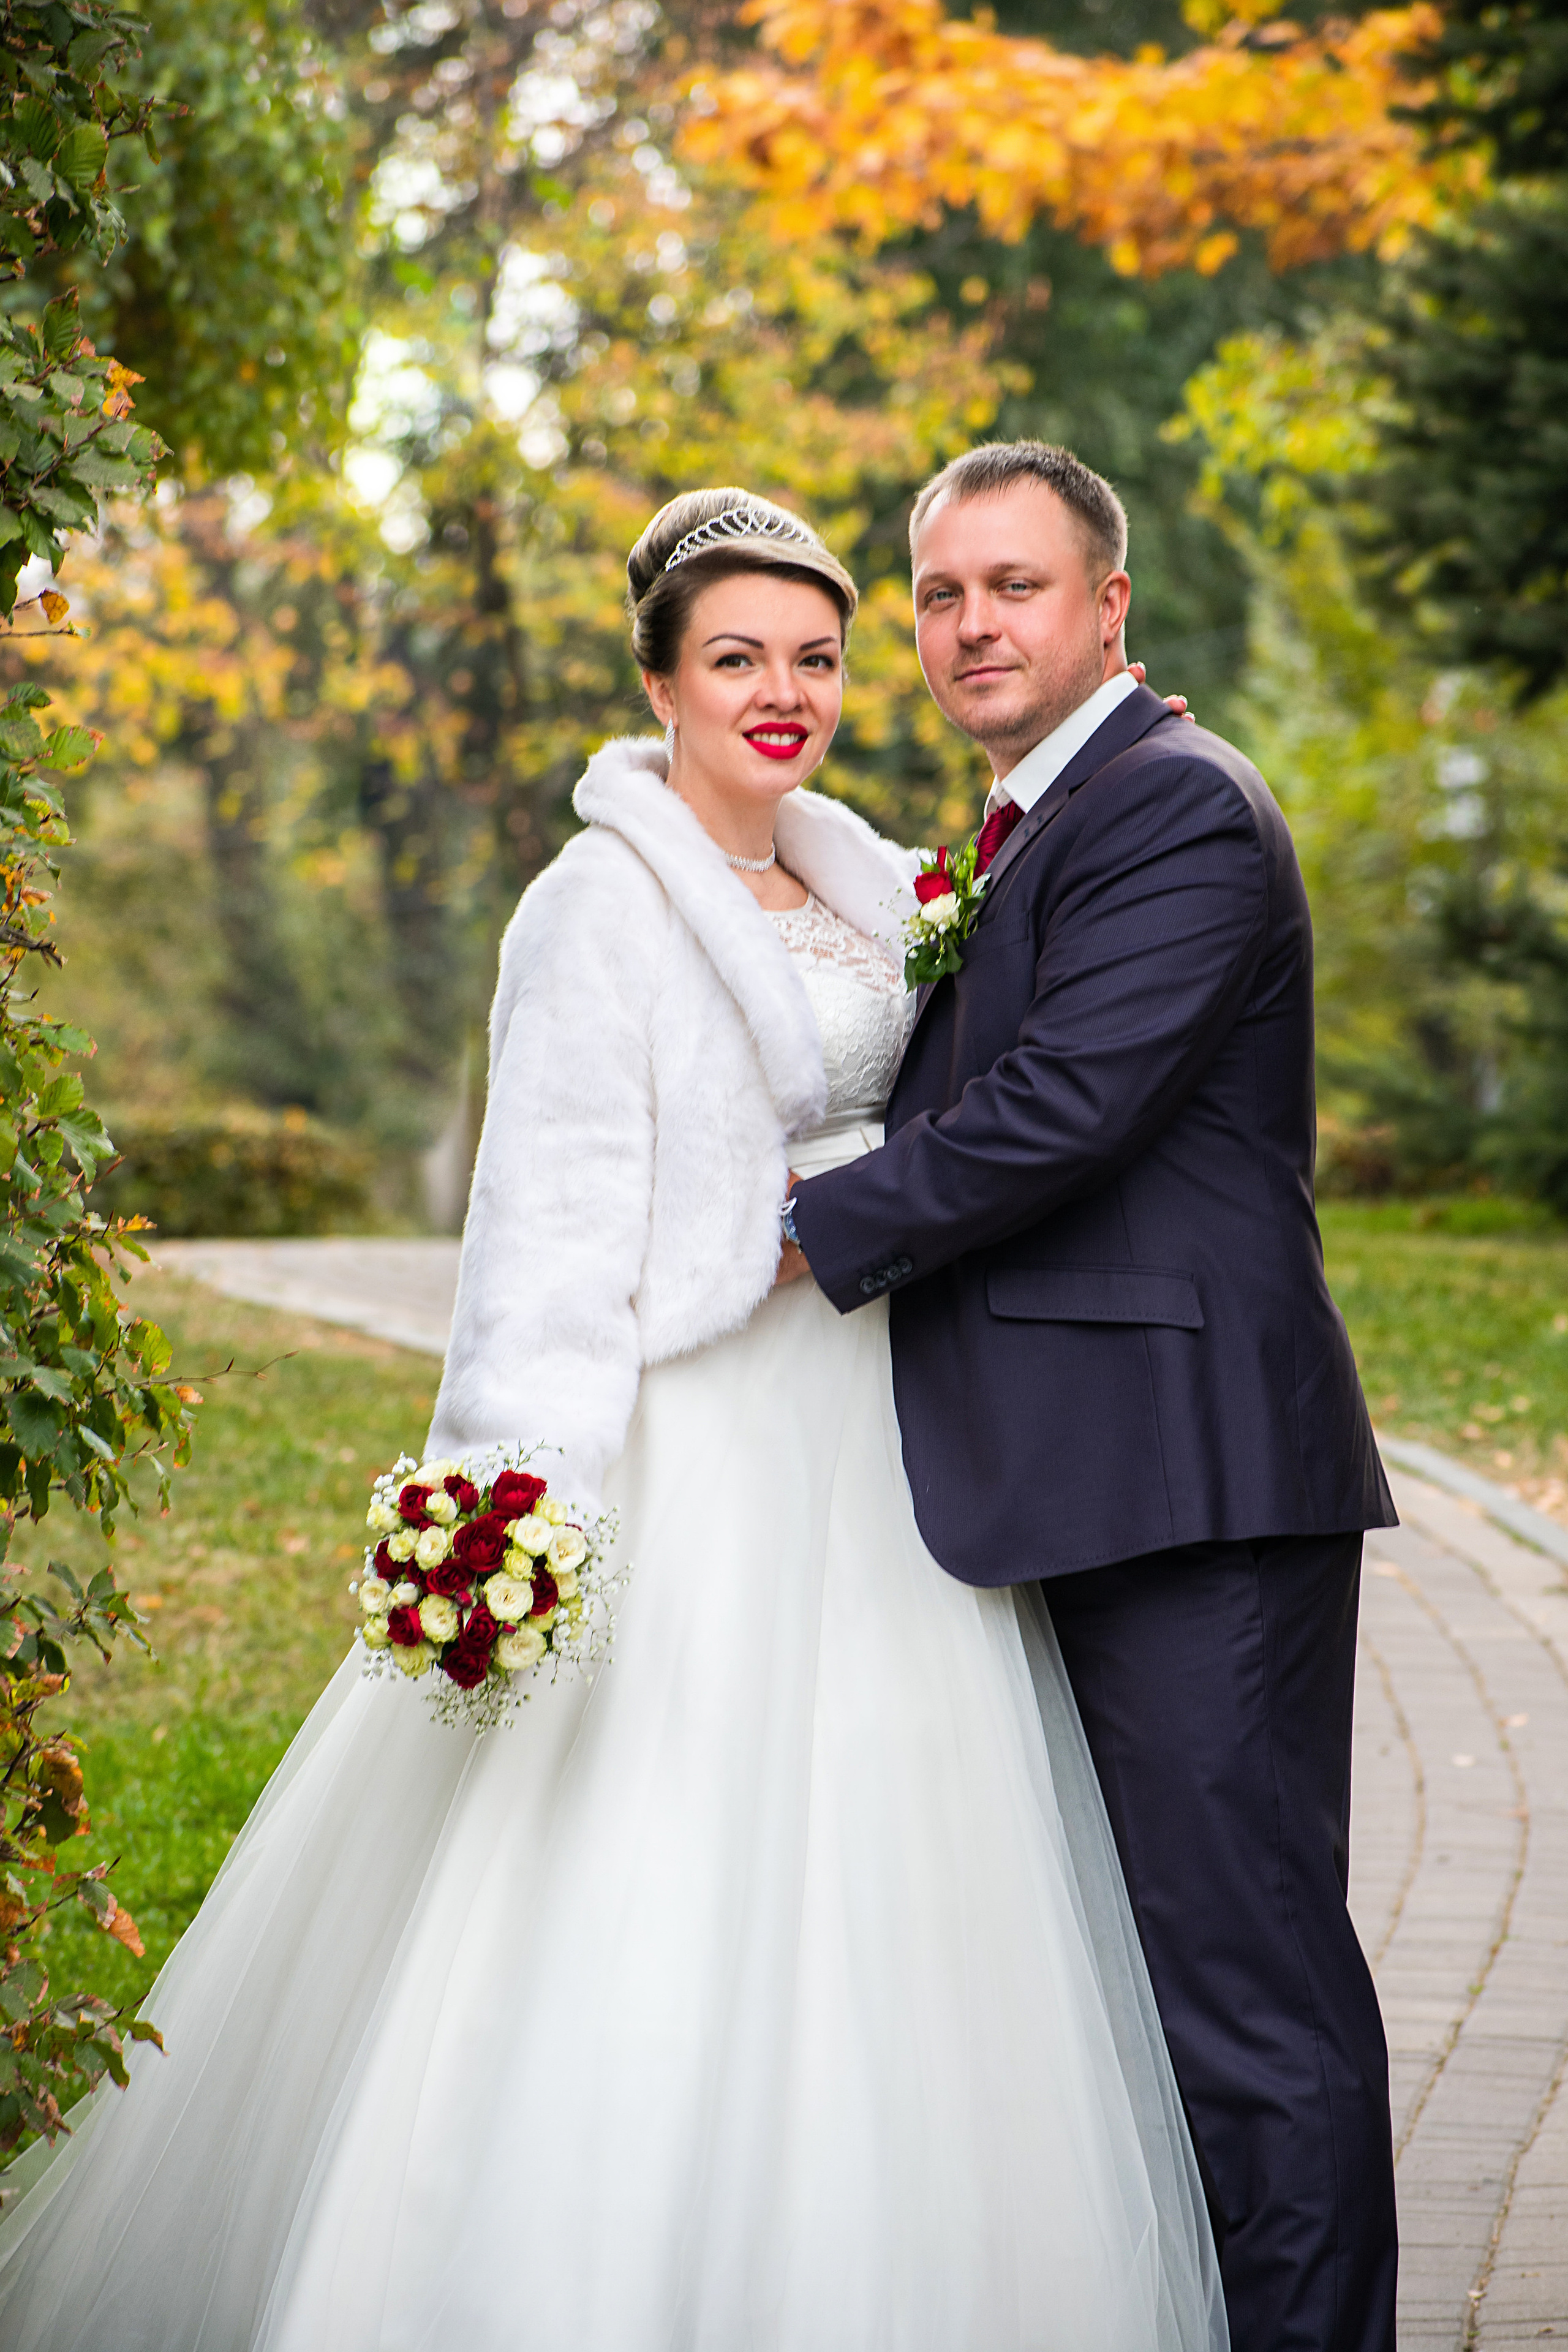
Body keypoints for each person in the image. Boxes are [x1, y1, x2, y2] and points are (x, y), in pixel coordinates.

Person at [0, 487, 1226, 2351]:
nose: (783, 693)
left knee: (901, 1870)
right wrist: (514, 1499)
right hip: (700, 1439)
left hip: (882, 1442)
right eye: (736, 658)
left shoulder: (881, 884)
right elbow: (545, 1241)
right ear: (659, 682)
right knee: (656, 1862)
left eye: (816, 657)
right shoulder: (594, 908)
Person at [782, 441, 1401, 2352]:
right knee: (1150, 1991)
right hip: (1088, 1474)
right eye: (940, 594)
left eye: (1015, 586)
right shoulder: (1030, 825)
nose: (971, 624)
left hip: (1192, 1484)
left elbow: (1064, 1108)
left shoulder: (1179, 809)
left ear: (1108, 605)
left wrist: (802, 1225)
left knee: (1248, 1995)